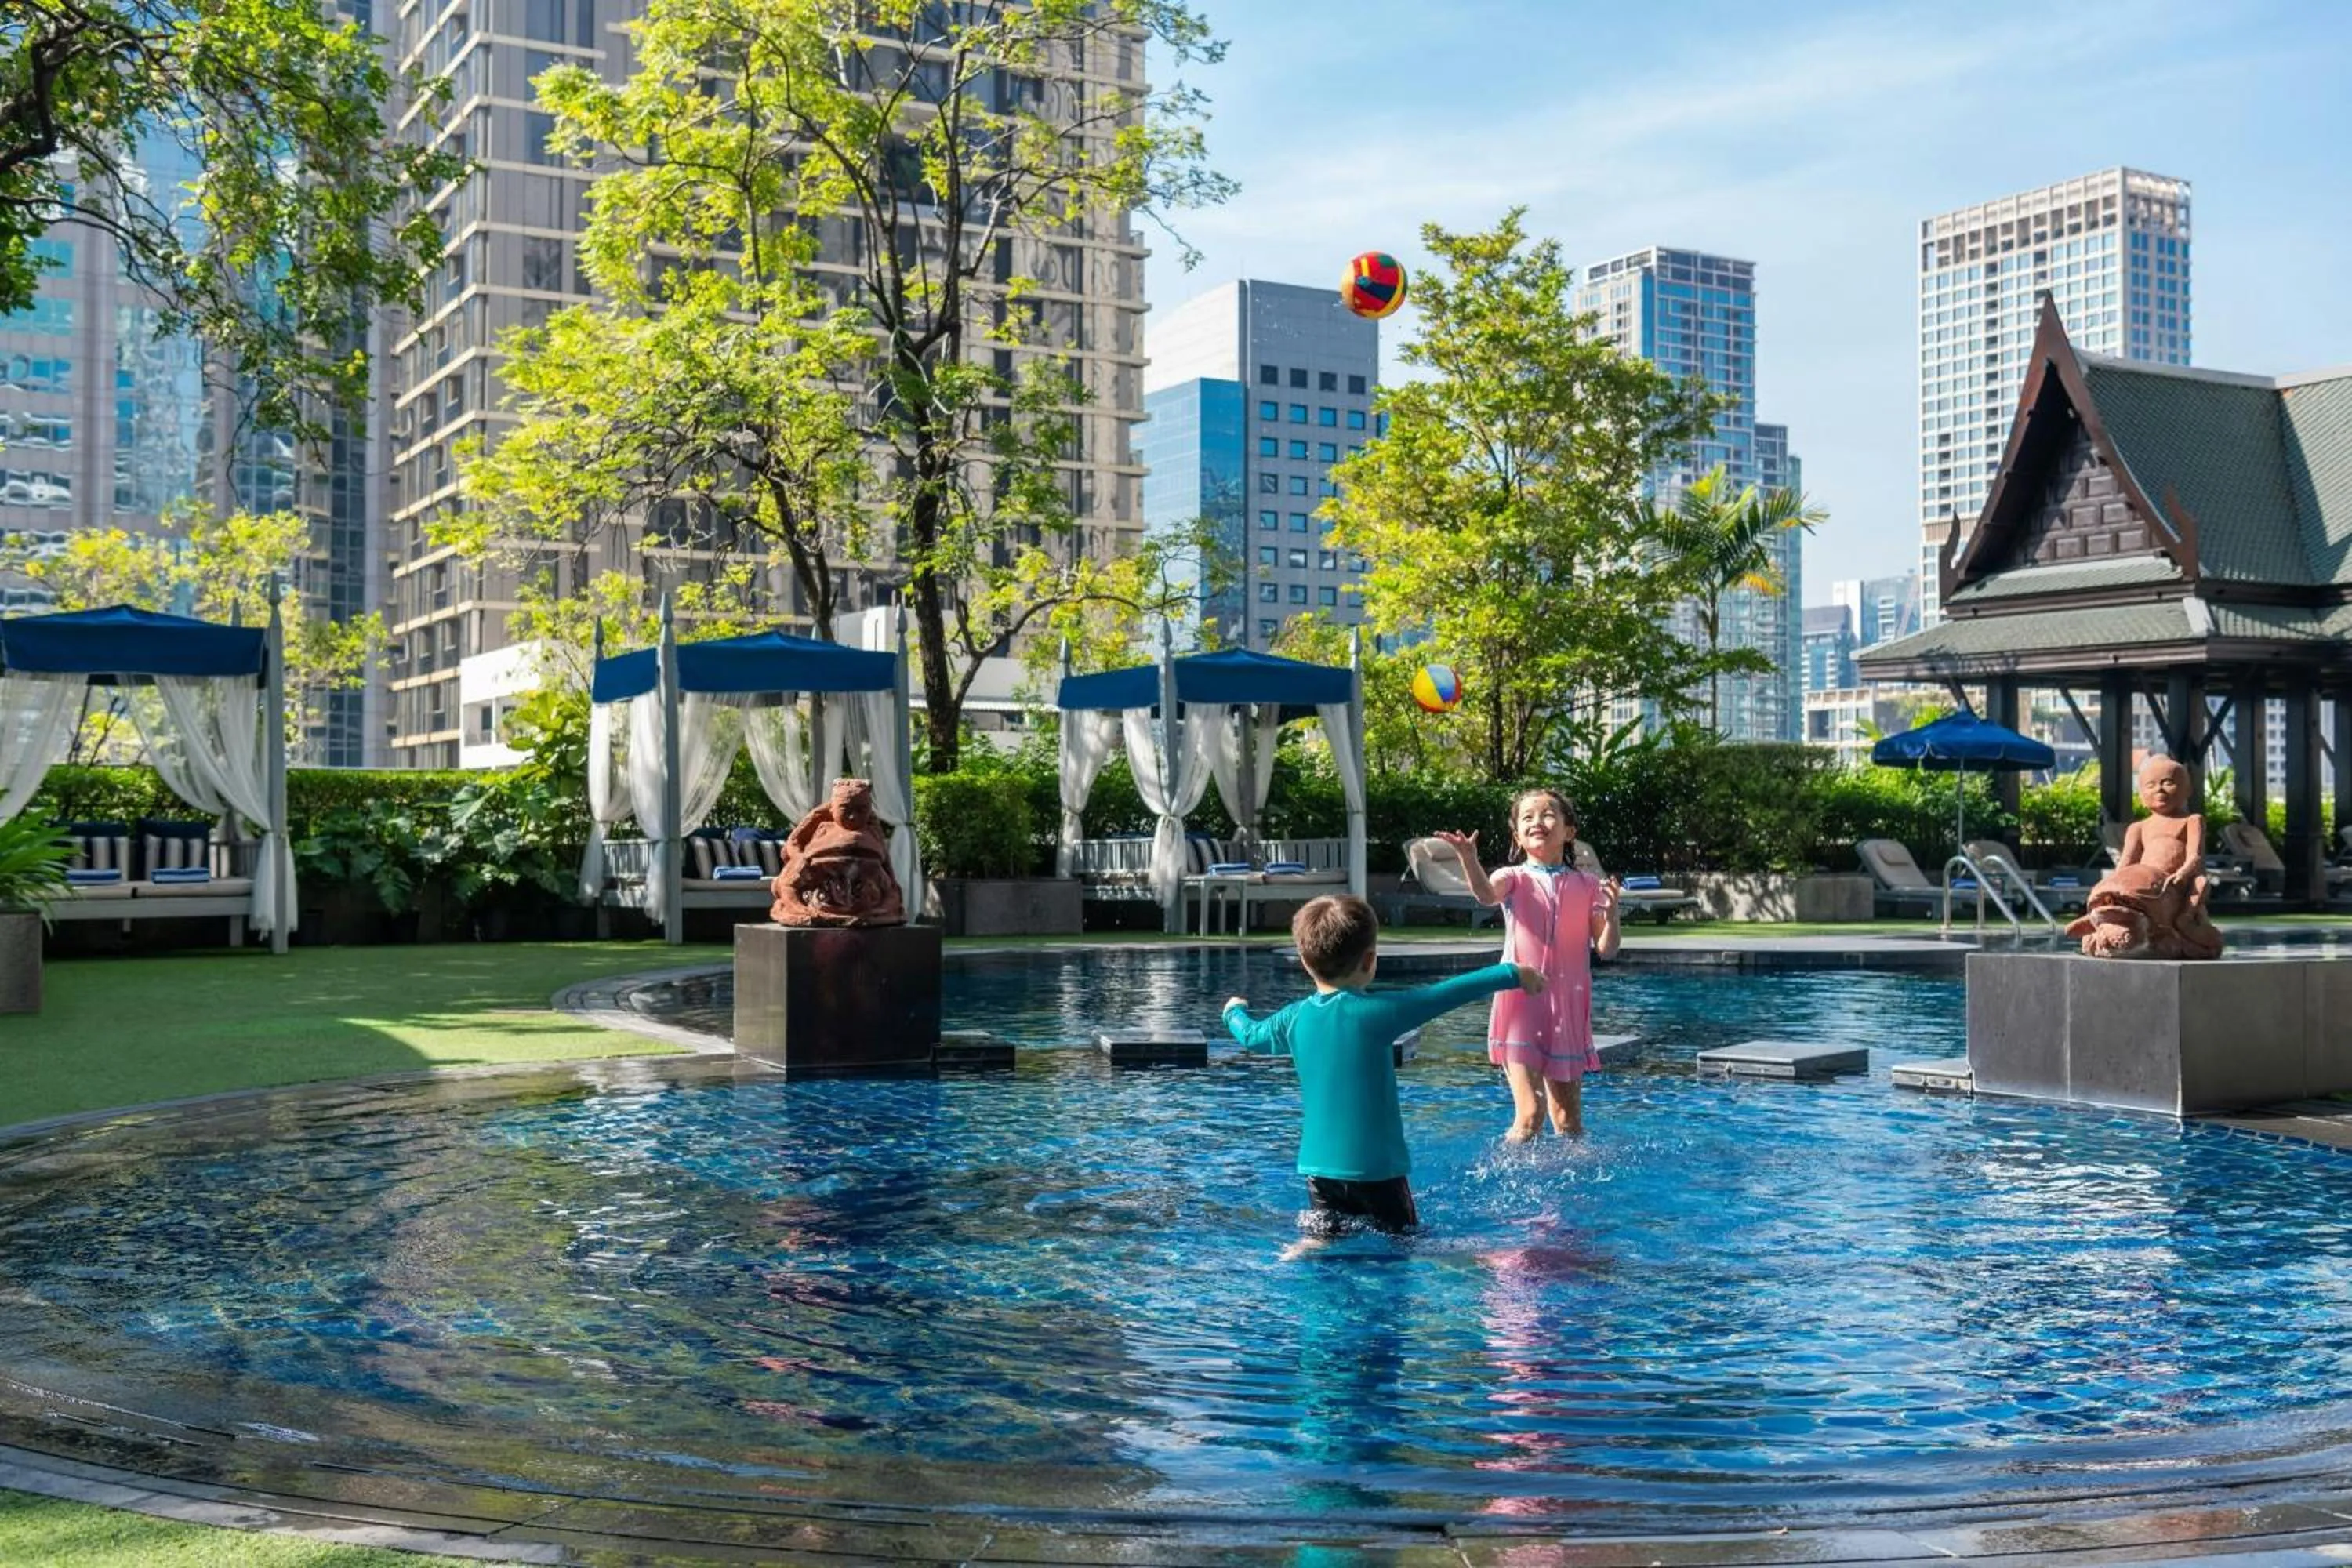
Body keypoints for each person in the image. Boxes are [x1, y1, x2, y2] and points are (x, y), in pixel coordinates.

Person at [1223, 894, 1542, 1254]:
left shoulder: (1294, 1018)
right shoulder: (1378, 1013)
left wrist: (1233, 1010)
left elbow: (1250, 1036)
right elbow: (1445, 994)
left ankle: (1307, 1246)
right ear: (1370, 960)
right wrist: (1513, 973)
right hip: (1379, 1172)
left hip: (1319, 1170)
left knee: (1328, 1236)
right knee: (1405, 1246)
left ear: (1303, 962)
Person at [1435, 789, 1621, 1142]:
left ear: (1569, 831)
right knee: (1530, 1115)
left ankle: (1573, 1188)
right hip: (1521, 1006)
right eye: (1528, 817)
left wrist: (1612, 916)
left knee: (1568, 1122)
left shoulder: (1588, 885)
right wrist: (1468, 858)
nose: (1538, 821)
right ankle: (1501, 1178)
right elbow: (1485, 896)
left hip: (1566, 1010)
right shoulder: (1513, 878)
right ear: (1517, 836)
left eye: (1549, 814)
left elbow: (1606, 949)